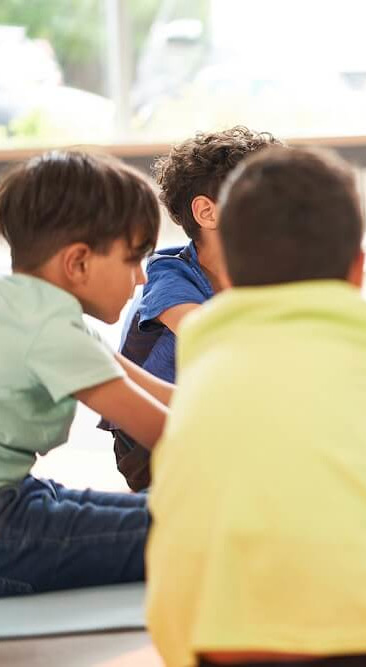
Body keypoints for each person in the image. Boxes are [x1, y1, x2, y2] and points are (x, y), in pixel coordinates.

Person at [146, 146, 366, 667]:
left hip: (203, 643)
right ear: (359, 269)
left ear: (229, 274)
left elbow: (282, 451)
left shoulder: (205, 348)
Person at [0, 151, 171, 596]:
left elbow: (160, 394)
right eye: (133, 260)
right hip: (2, 527)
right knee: (192, 533)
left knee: (164, 513)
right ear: (78, 263)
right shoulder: (51, 330)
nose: (142, 279)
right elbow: (164, 430)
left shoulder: (24, 307)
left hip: (15, 496)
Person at [99, 126, 280, 491]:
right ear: (206, 212)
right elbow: (212, 336)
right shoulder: (170, 272)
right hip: (148, 439)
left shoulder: (265, 273)